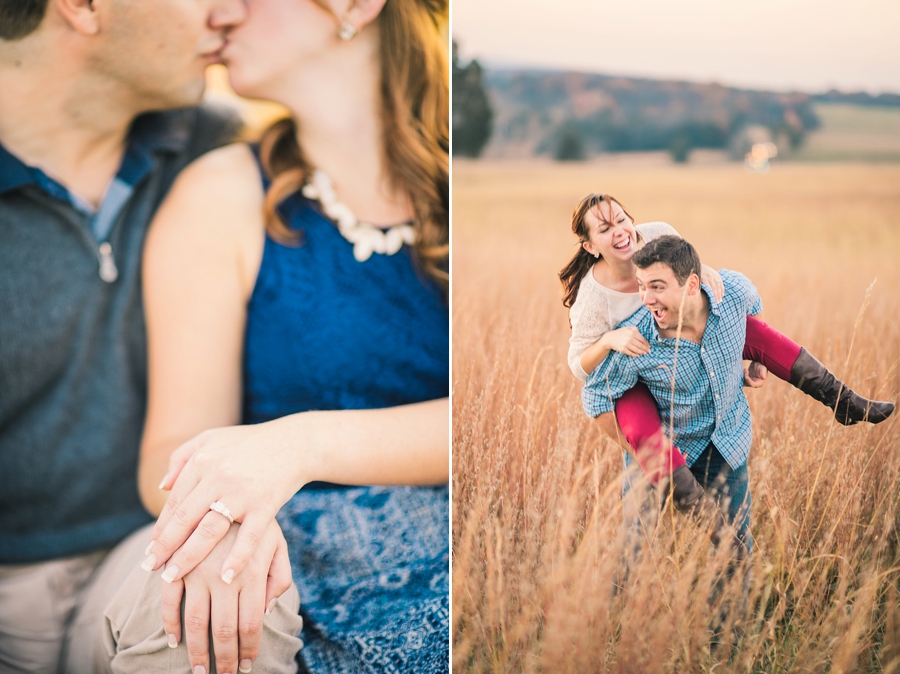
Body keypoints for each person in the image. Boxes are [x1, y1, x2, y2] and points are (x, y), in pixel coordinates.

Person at [127, 0, 450, 671]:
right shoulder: (219, 195)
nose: (220, 7)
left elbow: (517, 412)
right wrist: (217, 511)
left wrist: (302, 443)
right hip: (297, 564)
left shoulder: (472, 179)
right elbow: (168, 450)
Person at [0, 1, 308, 673]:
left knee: (231, 582)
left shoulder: (219, 152)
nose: (232, 10)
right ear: (81, 7)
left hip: (143, 552)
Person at [560, 194, 894, 541]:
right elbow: (579, 368)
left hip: (686, 338)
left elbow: (688, 268)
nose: (619, 230)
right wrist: (609, 340)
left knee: (752, 331)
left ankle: (841, 399)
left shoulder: (657, 233)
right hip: (635, 366)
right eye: (604, 228)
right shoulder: (593, 298)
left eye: (620, 218)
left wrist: (701, 274)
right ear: (590, 246)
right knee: (647, 445)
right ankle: (709, 525)